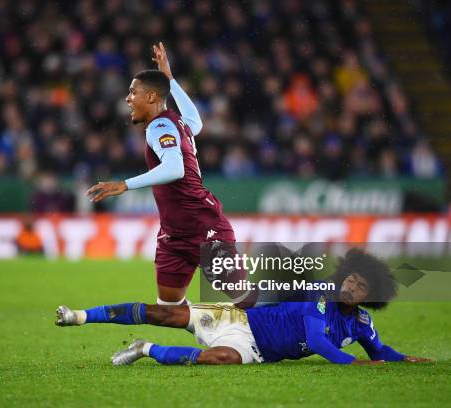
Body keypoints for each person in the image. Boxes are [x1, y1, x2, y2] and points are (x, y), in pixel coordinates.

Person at [55, 249, 430, 366]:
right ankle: (81, 316)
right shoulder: (320, 295)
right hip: (239, 318)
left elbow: (379, 350)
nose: (350, 286)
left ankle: (144, 350)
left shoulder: (360, 321)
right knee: (164, 313)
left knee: (220, 359)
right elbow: (317, 342)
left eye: (360, 286)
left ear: (369, 297)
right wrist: (358, 364)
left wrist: (403, 359)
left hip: (253, 348)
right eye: (350, 279)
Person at [85, 43, 237, 306]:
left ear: (152, 97)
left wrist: (124, 185)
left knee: (245, 300)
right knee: (169, 307)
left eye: (133, 92)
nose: (128, 98)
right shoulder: (177, 121)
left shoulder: (160, 126)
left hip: (202, 224)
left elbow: (174, 168)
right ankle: (208, 334)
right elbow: (196, 122)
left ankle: (310, 312)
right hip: (174, 232)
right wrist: (169, 77)